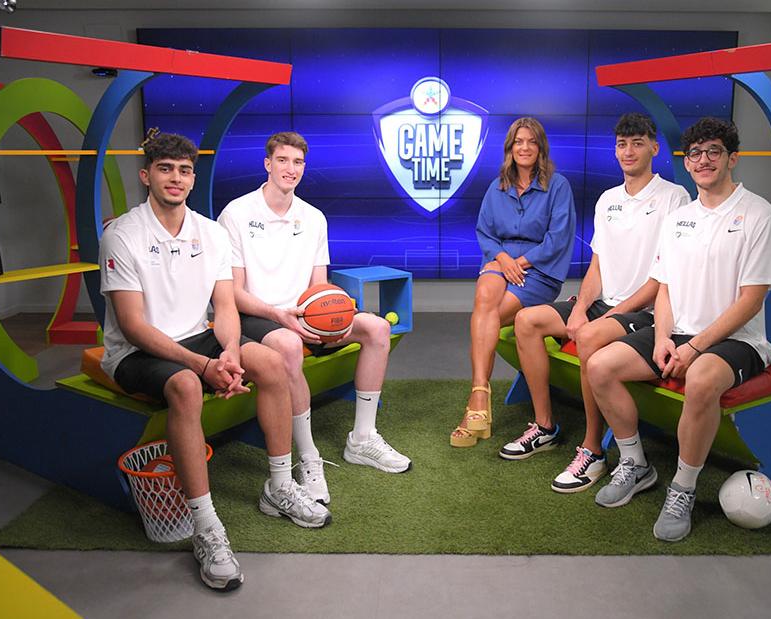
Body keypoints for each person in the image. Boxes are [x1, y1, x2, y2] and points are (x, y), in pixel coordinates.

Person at [99, 133, 330, 592]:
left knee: (271, 362)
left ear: (193, 177)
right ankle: (206, 527)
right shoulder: (121, 235)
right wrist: (203, 367)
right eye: (166, 169)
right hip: (136, 351)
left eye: (184, 170)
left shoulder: (210, 232)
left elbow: (225, 308)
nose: (176, 178)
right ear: (146, 175)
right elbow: (132, 325)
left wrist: (229, 352)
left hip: (198, 335)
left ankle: (278, 487)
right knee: (186, 385)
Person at [586, 117, 771, 541]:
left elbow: (751, 300)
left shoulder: (759, 215)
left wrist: (694, 347)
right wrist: (662, 337)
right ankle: (635, 463)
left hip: (737, 340)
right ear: (687, 161)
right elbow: (666, 287)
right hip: (676, 332)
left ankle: (683, 487)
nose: (703, 160)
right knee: (600, 366)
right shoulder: (680, 218)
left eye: (714, 151)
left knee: (700, 379)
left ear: (733, 158)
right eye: (695, 153)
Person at [218, 131, 410, 506]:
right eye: (283, 160)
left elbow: (319, 286)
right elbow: (234, 293)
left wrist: (329, 319)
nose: (291, 169)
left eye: (298, 162)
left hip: (305, 314)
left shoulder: (313, 218)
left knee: (377, 327)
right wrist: (279, 314)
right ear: (267, 164)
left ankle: (362, 439)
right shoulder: (236, 214)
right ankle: (308, 457)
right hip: (259, 314)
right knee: (290, 345)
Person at [503, 114, 690, 496]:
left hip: (646, 312)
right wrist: (579, 307)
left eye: (637, 143)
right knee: (526, 321)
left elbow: (665, 277)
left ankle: (593, 450)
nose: (628, 151)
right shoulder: (608, 200)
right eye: (622, 144)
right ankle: (545, 427)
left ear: (654, 148)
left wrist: (614, 313)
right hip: (603, 303)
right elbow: (598, 265)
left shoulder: (674, 198)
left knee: (588, 336)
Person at [451, 117, 576, 447]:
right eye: (519, 141)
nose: (525, 147)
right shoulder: (497, 187)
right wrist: (504, 260)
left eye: (531, 141)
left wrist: (518, 262)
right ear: (510, 148)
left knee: (486, 317)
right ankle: (480, 394)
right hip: (501, 263)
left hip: (538, 271)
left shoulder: (558, 186)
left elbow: (558, 239)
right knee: (485, 297)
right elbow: (485, 233)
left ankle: (476, 406)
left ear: (540, 147)